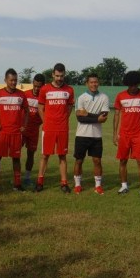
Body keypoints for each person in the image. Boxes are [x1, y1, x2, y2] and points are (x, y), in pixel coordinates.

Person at [36, 63, 75, 193]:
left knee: (62, 156)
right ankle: (40, 182)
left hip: (63, 128)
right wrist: (45, 121)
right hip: (49, 128)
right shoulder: (45, 89)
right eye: (57, 75)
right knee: (45, 155)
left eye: (62, 76)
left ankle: (64, 183)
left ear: (64, 75)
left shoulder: (69, 90)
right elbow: (40, 107)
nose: (59, 78)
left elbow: (69, 107)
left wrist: (63, 119)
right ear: (53, 74)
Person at [113, 71, 140, 198]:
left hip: (138, 135)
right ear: (127, 85)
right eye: (131, 85)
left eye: (135, 85)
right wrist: (115, 134)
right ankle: (124, 185)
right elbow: (117, 115)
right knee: (123, 161)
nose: (133, 87)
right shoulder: (120, 96)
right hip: (124, 135)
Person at [0, 68, 29, 192]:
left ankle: (17, 184)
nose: (13, 82)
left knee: (16, 158)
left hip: (16, 133)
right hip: (3, 133)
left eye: (15, 80)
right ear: (5, 80)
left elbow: (27, 111)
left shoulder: (21, 95)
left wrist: (24, 124)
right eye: (11, 80)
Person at [73, 72, 109, 194]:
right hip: (82, 135)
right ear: (87, 83)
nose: (94, 84)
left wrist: (87, 114)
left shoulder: (104, 97)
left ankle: (98, 186)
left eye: (96, 82)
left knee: (97, 161)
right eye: (91, 82)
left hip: (96, 136)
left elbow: (104, 117)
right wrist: (95, 118)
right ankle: (77, 185)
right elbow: (79, 118)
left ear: (98, 83)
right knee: (79, 160)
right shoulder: (81, 98)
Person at [22, 73, 45, 189]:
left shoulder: (44, 99)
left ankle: (27, 177)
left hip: (34, 131)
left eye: (39, 86)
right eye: (35, 86)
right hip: (22, 129)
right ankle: (16, 177)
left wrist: (37, 124)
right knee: (16, 153)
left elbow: (45, 116)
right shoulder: (25, 95)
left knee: (30, 154)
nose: (36, 89)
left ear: (43, 86)